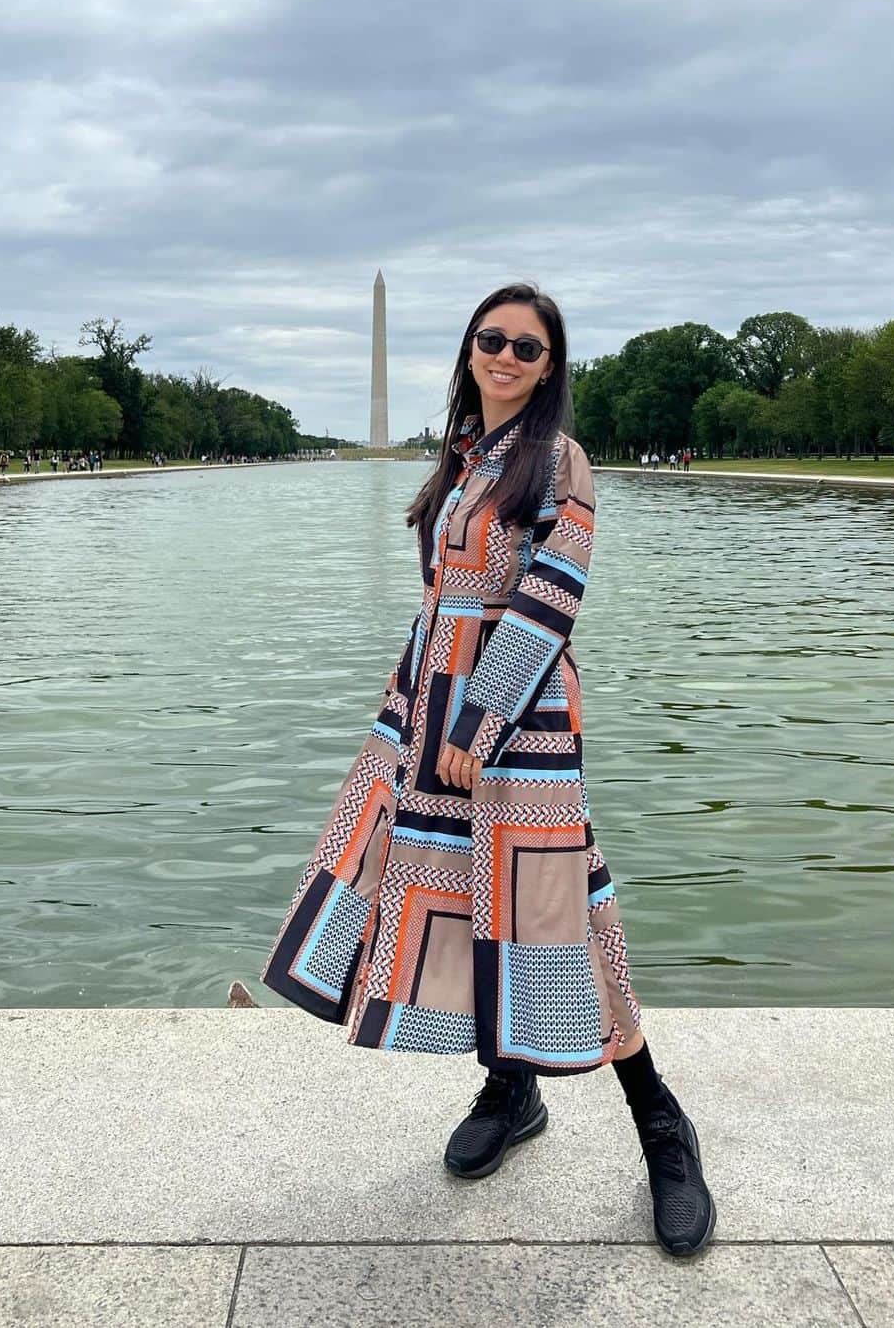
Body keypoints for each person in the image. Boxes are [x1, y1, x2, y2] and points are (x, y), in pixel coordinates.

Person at [260, 281, 716, 1257]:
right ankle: (512, 1092)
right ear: (470, 349)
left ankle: (663, 1131)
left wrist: (482, 715)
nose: (505, 355)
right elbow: (442, 603)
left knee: (566, 919)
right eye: (490, 339)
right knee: (469, 910)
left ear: (550, 367)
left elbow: (556, 593)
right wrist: (408, 716)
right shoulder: (468, 458)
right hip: (427, 723)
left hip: (517, 729)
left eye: (527, 346)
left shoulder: (559, 460)